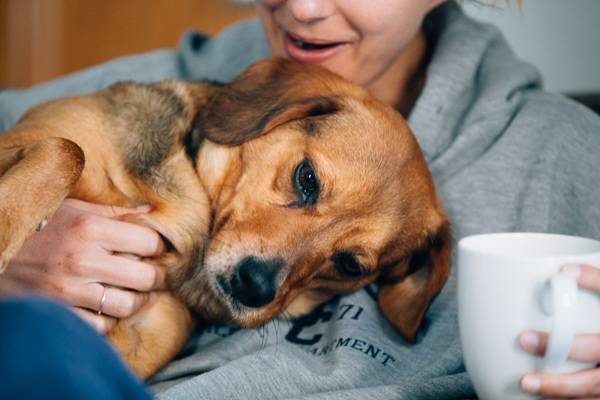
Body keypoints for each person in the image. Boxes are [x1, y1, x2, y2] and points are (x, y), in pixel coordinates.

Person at [1, 0, 599, 398]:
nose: (305, 8)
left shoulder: (568, 156)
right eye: (305, 183)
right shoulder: (175, 84)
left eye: (347, 265)